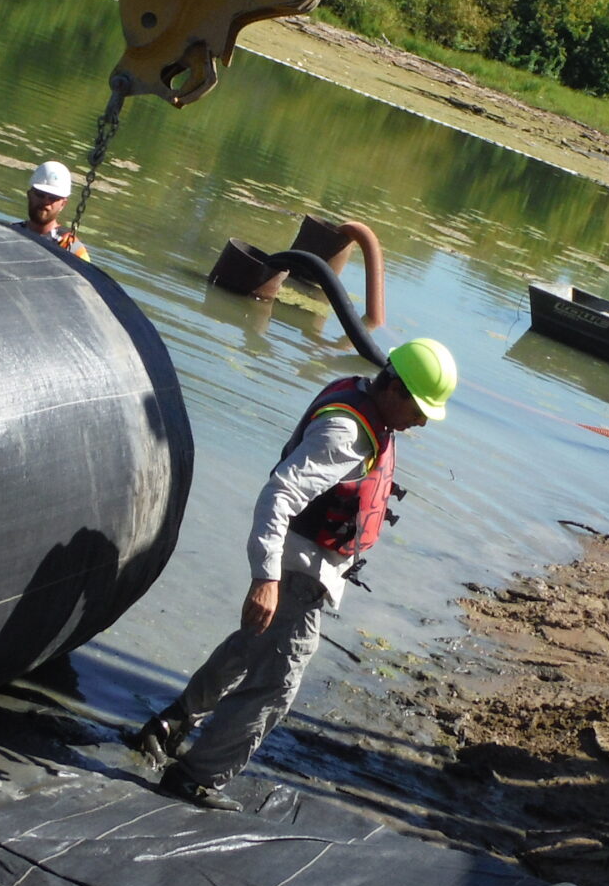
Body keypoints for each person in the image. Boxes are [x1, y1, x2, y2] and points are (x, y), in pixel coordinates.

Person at [128, 337, 459, 811]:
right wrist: (265, 578)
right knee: (278, 683)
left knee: (248, 647)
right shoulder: (346, 432)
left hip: (302, 567)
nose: (423, 421)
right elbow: (278, 494)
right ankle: (195, 777)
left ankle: (172, 723)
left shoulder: (360, 399)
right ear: (396, 389)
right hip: (296, 571)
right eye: (421, 408)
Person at [19, 159, 90, 262]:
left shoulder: (72, 247)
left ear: (63, 204)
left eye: (53, 197)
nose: (45, 201)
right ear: (29, 195)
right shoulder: (8, 231)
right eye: (40, 194)